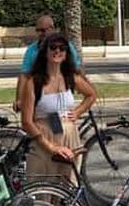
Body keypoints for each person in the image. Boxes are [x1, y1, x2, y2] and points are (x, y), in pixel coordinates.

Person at [21, 32, 96, 184]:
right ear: (45, 52)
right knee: (44, 189)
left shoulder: (71, 77)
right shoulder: (33, 82)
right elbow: (27, 122)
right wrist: (50, 147)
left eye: (62, 48)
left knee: (69, 187)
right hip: (44, 139)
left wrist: (78, 112)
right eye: (53, 47)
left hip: (70, 137)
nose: (57, 51)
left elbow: (91, 94)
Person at [13, 15, 82, 111]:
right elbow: (24, 75)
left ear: (52, 29)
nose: (40, 33)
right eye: (38, 30)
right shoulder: (32, 50)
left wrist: (81, 88)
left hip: (61, 93)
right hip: (40, 97)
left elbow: (77, 69)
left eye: (43, 30)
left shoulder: (66, 47)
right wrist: (19, 99)